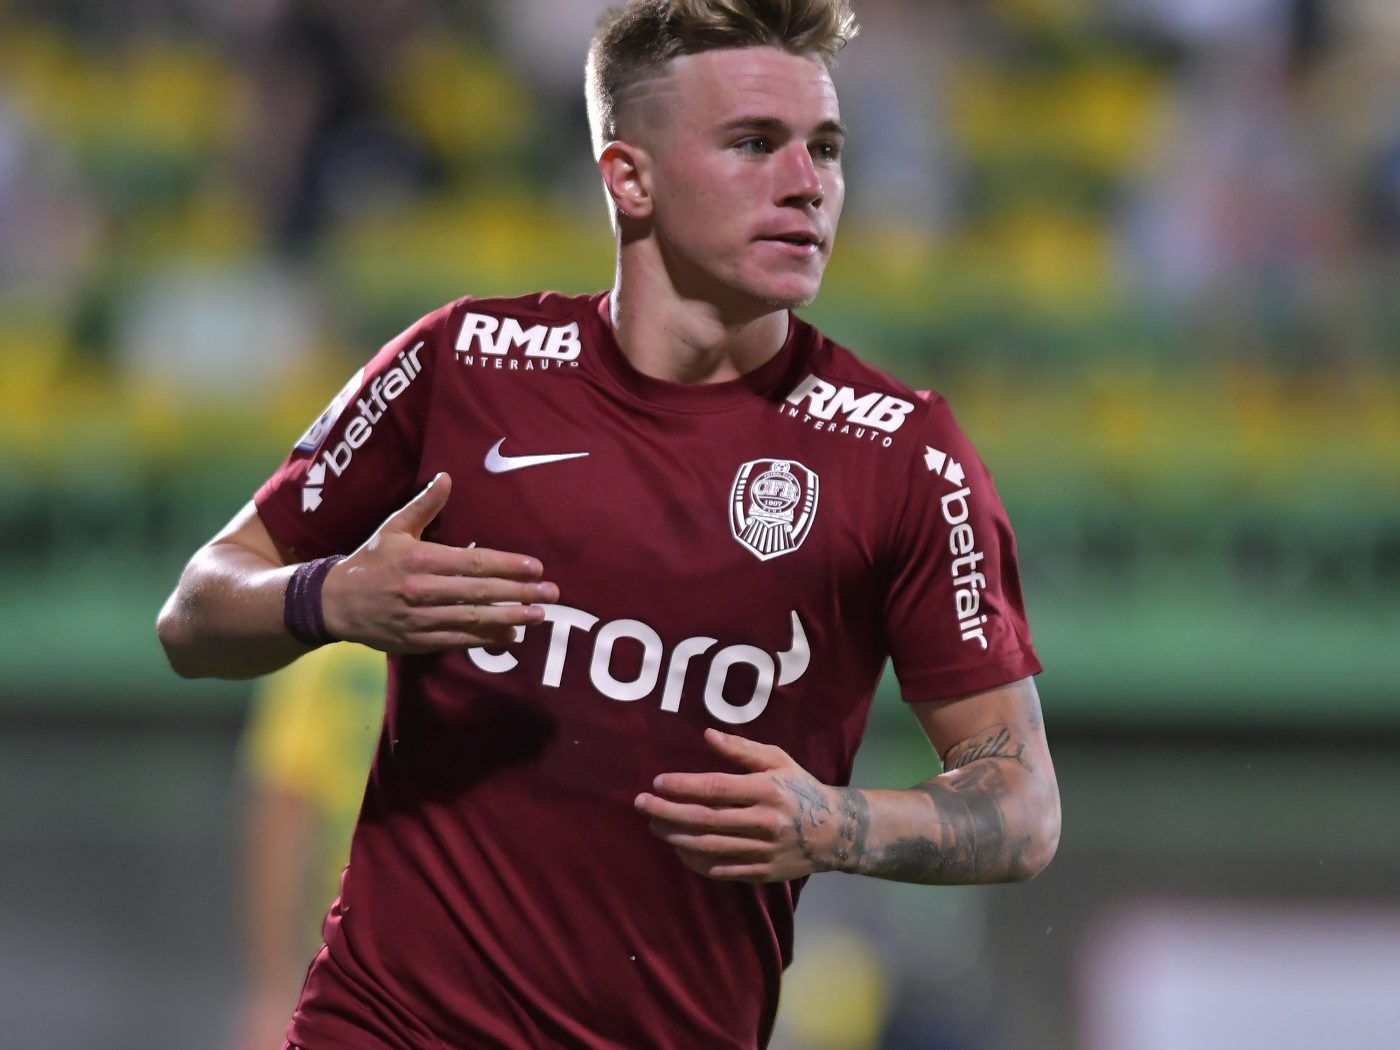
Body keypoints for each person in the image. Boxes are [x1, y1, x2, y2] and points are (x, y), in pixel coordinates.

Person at [157, 1, 1061, 1046]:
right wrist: (329, 596)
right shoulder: (461, 365)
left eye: (824, 147)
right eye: (753, 144)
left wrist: (840, 824)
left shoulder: (902, 454)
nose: (806, 182)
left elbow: (1021, 808)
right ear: (629, 178)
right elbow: (194, 612)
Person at [232, 642, 385, 1050]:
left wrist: (273, 990)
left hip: (353, 968)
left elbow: (281, 810)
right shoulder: (336, 651)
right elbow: (282, 808)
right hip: (363, 968)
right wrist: (274, 991)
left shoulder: (336, 647)